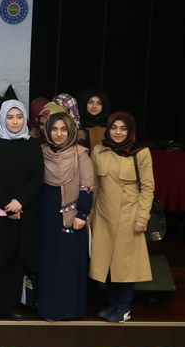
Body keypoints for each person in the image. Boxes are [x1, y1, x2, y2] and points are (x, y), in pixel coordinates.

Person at [0, 100, 44, 321]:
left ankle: (11, 306)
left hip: (23, 211)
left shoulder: (32, 144)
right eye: (10, 117)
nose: (15, 122)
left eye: (19, 117)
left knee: (16, 258)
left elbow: (37, 177)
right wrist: (7, 203)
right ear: (2, 118)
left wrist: (20, 202)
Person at [89, 112, 154, 324]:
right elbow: (94, 186)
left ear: (130, 131)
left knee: (125, 266)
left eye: (123, 128)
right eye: (114, 128)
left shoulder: (141, 153)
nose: (118, 132)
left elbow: (148, 188)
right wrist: (90, 215)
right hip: (103, 215)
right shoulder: (99, 150)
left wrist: (142, 217)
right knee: (106, 263)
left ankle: (123, 307)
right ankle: (112, 304)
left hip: (129, 216)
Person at [36, 113, 93, 321]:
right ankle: (48, 309)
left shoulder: (80, 154)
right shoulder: (42, 152)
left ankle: (68, 310)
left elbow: (87, 186)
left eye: (63, 130)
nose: (58, 134)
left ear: (71, 132)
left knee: (66, 263)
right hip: (46, 217)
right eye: (54, 129)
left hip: (71, 217)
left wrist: (82, 214)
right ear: (47, 131)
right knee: (48, 262)